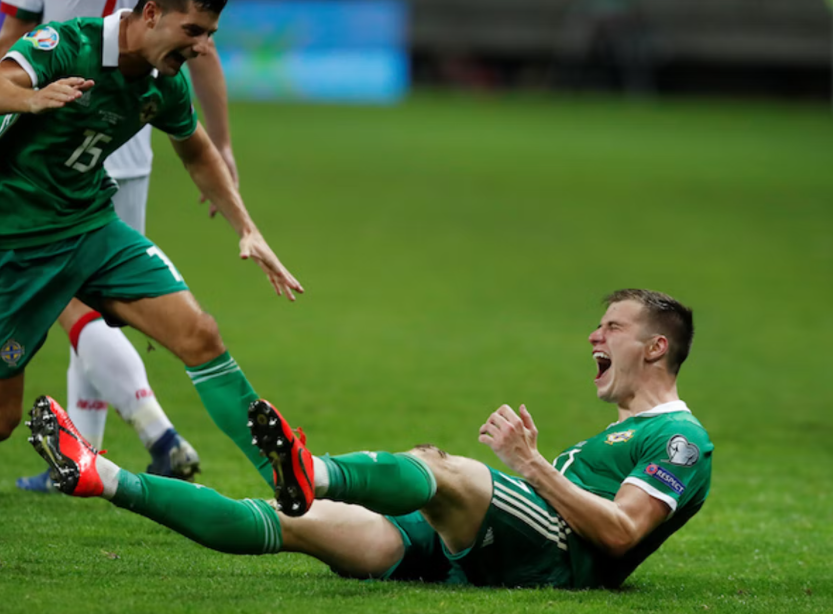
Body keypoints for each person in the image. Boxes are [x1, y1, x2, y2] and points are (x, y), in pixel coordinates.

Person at [28, 289, 713, 589]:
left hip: (555, 564)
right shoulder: (628, 430)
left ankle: (313, 469)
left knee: (445, 468)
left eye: (611, 328)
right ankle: (100, 476)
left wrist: (531, 465)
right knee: (290, 524)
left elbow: (621, 533)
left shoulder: (680, 440)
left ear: (656, 348)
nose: (594, 337)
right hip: (483, 556)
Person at [0, 0, 303, 490]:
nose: (202, 47)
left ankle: (288, 474)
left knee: (200, 335)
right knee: (2, 420)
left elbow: (196, 150)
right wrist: (31, 98)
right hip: (15, 243)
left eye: (209, 35)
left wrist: (247, 227)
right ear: (150, 13)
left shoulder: (165, 83)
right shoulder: (67, 43)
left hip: (91, 229)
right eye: (193, 31)